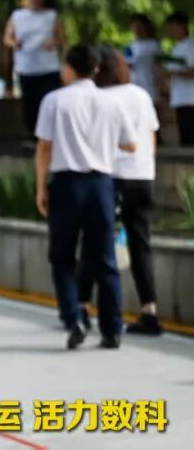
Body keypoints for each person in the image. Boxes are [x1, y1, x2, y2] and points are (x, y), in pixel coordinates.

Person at [35, 45, 135, 351]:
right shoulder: (111, 102)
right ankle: (112, 330)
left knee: (63, 256)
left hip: (67, 183)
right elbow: (130, 144)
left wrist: (41, 187)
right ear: (96, 69)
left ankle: (74, 317)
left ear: (69, 67)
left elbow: (45, 147)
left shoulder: (54, 100)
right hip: (102, 183)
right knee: (104, 259)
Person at [89, 49, 163, 336]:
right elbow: (151, 138)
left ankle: (92, 308)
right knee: (141, 244)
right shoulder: (141, 95)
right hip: (143, 176)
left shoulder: (101, 98)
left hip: (113, 176)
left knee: (99, 243)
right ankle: (149, 311)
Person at [4, 0, 66, 138]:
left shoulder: (51, 15)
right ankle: (32, 135)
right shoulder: (17, 16)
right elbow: (7, 38)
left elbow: (62, 37)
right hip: (26, 67)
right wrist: (14, 43)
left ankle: (52, 135)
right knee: (30, 104)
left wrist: (54, 43)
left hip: (48, 67)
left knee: (51, 102)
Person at [164, 12, 194, 146]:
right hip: (180, 98)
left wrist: (175, 73)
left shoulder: (191, 46)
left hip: (191, 98)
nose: (172, 31)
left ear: (183, 27)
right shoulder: (175, 48)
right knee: (185, 137)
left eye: (174, 27)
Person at [127, 14, 162, 102]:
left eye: (139, 27)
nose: (137, 30)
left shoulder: (153, 45)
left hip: (149, 85)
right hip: (134, 84)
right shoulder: (130, 46)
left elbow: (158, 66)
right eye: (134, 27)